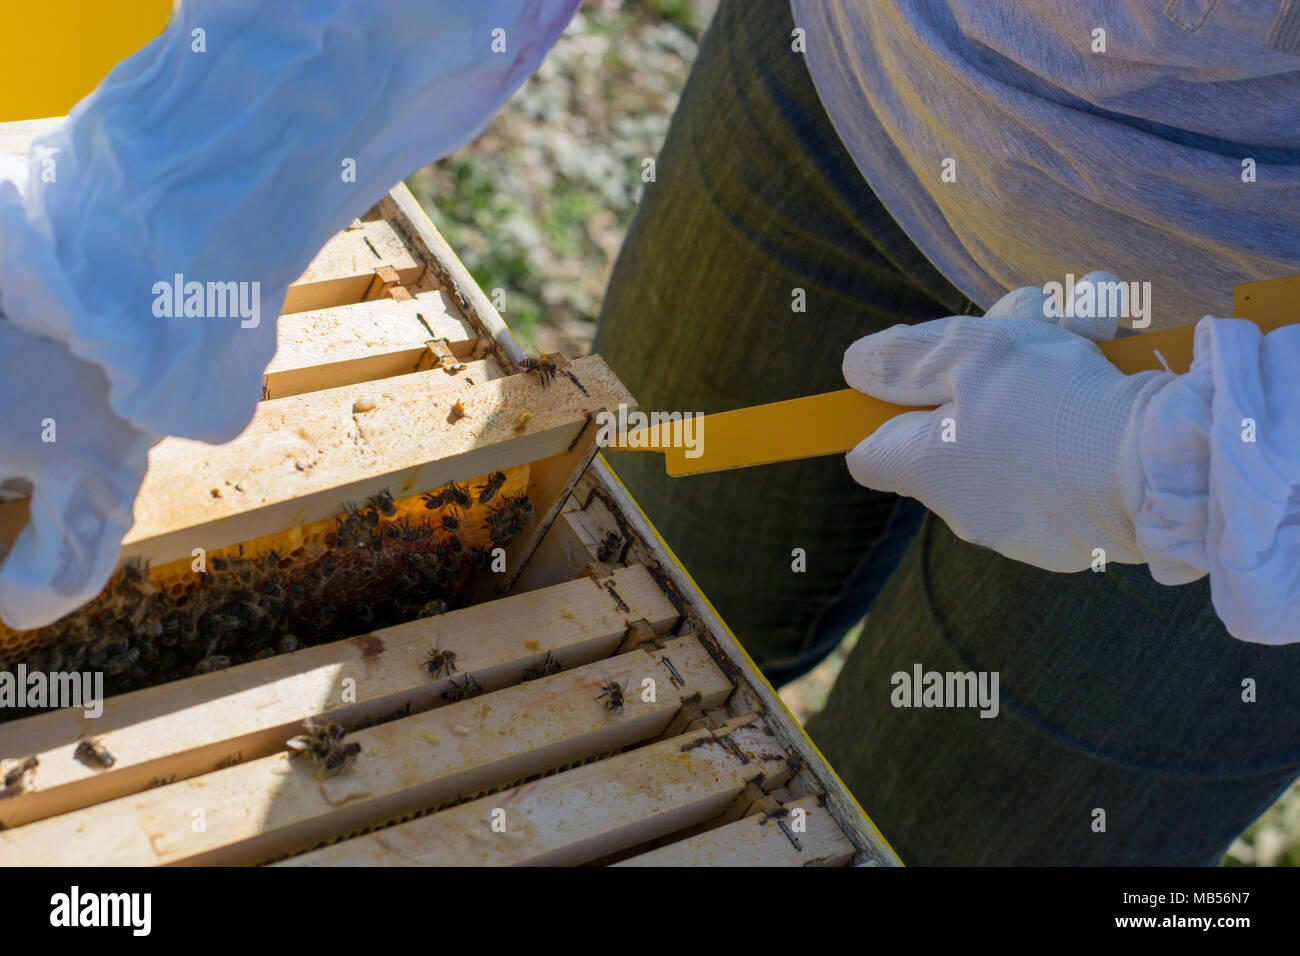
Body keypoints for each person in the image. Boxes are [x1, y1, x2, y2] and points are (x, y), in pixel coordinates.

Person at [1, 0, 1297, 865]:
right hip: (856, 85)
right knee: (632, 560)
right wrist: (151, 219)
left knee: (941, 830)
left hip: (1235, 301)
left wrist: (1221, 460)